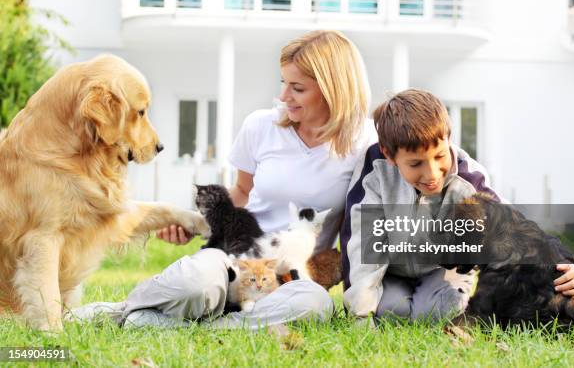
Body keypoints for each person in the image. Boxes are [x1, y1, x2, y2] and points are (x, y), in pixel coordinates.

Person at [70, 30, 376, 329]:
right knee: (194, 284)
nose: (284, 96)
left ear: (332, 89)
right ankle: (123, 311)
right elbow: (242, 192)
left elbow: (366, 223)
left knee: (315, 305)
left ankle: (207, 325)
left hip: (288, 278)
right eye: (284, 83)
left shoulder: (364, 142)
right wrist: (194, 225)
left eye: (297, 88)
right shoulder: (261, 126)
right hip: (233, 259)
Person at [341, 89, 574, 323]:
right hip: (390, 272)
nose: (432, 174)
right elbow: (362, 245)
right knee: (392, 313)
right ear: (389, 155)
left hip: (441, 272)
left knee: (433, 314)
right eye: (416, 164)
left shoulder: (469, 178)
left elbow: (513, 227)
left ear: (448, 139)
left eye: (439, 156)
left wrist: (564, 263)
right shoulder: (374, 172)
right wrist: (360, 315)